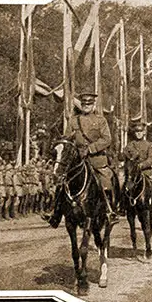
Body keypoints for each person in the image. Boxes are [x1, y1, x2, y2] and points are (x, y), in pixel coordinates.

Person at [43, 91, 119, 228]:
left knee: (105, 182)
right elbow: (67, 139)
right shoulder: (73, 120)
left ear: (93, 104)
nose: (86, 106)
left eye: (89, 103)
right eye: (84, 103)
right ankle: (54, 213)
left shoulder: (101, 120)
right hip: (76, 161)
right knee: (62, 183)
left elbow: (107, 139)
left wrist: (90, 149)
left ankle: (110, 211)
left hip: (96, 160)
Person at [122, 122, 152, 215]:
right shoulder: (130, 145)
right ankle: (122, 206)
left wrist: (142, 165)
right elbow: (125, 155)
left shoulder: (149, 145)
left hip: (146, 171)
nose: (138, 133)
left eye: (140, 131)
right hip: (133, 172)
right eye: (136, 131)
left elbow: (151, 158)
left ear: (144, 133)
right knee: (123, 185)